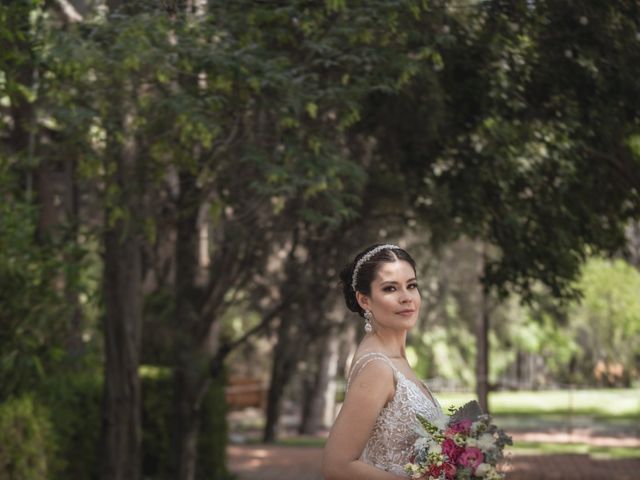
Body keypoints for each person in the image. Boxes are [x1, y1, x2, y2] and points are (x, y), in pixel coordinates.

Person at [323, 244, 443, 480]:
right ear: (364, 300)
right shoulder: (377, 367)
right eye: (390, 288)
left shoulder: (395, 360)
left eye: (412, 286)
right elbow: (336, 466)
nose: (406, 297)